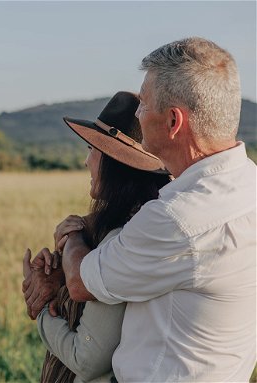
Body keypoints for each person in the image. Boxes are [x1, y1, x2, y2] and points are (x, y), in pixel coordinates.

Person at [52, 37, 256, 381]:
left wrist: (72, 234)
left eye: (143, 105)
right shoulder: (248, 183)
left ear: (174, 122)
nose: (137, 115)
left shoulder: (177, 219)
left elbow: (82, 282)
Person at [22, 91, 171, 383]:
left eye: (92, 149)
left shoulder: (122, 239)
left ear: (116, 165)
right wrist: (59, 277)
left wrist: (42, 309)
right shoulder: (128, 226)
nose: (86, 161)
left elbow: (86, 359)